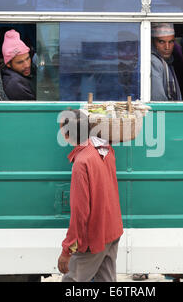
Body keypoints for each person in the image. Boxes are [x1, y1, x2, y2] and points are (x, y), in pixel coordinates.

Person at [57, 109, 123, 282]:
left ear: (66, 136)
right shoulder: (105, 150)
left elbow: (80, 213)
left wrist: (67, 250)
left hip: (94, 236)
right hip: (113, 230)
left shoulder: (81, 162)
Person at [1, 29, 36, 100]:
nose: (27, 65)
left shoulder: (23, 75)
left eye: (27, 58)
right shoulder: (15, 83)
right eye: (20, 62)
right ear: (8, 64)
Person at [151, 23, 182, 101]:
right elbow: (158, 101)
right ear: (153, 42)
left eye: (171, 42)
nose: (167, 47)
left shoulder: (168, 62)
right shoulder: (154, 62)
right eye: (161, 42)